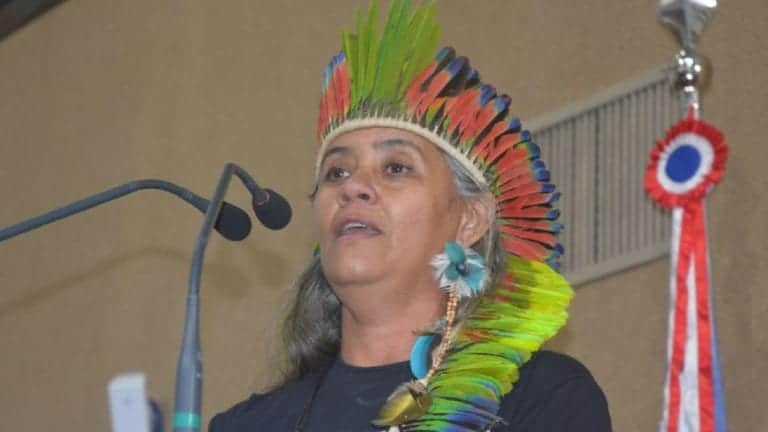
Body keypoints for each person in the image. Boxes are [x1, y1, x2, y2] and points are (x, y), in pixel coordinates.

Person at [210, 1, 611, 431]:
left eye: (396, 168)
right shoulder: (246, 426)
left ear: (470, 219)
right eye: (336, 172)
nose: (352, 187)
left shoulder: (542, 397)